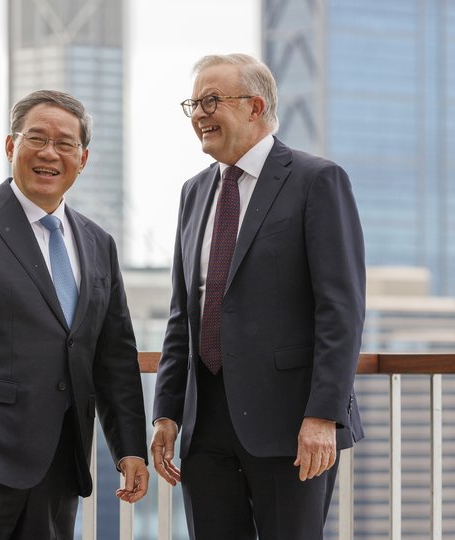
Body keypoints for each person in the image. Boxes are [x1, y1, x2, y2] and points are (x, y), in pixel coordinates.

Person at [0, 89, 149, 540]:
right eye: (36, 138)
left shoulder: (98, 242)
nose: (49, 153)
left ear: (82, 158)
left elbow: (114, 355)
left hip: (62, 460)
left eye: (65, 144)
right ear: (10, 146)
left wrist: (129, 449)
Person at [150, 54, 365, 540]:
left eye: (211, 100)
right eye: (193, 104)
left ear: (254, 106)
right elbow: (183, 314)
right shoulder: (193, 192)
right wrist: (166, 412)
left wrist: (322, 416)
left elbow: (341, 311)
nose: (199, 114)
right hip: (204, 425)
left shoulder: (317, 180)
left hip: (291, 424)